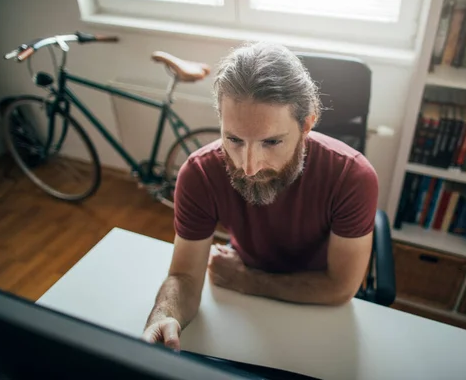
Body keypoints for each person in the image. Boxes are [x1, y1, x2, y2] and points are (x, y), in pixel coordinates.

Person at [142, 42, 379, 350]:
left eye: (271, 142)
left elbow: (340, 288)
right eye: (234, 139)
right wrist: (164, 316)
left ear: (307, 123)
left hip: (317, 310)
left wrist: (248, 281)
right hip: (241, 300)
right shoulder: (198, 173)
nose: (248, 166)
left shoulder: (352, 177)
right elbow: (184, 277)